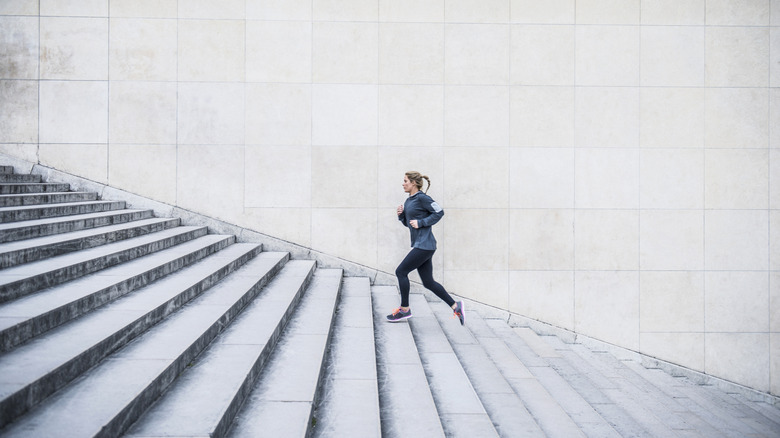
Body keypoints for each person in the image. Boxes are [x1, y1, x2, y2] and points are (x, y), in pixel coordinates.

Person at [387, 171, 465, 325]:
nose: (403, 184)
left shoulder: (422, 198)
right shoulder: (409, 200)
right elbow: (410, 224)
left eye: (405, 181)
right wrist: (401, 216)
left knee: (401, 272)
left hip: (424, 245)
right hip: (422, 245)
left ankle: (404, 309)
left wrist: (422, 223)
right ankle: (456, 306)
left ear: (414, 183)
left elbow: (439, 211)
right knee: (428, 282)